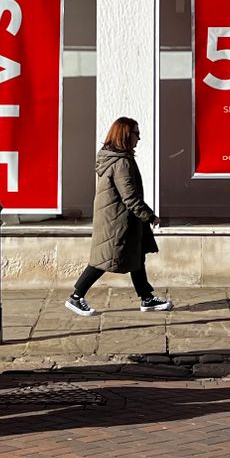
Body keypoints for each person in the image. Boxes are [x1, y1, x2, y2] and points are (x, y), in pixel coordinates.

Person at [65, 117, 172, 316]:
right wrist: (149, 216)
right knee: (104, 259)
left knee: (136, 257)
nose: (139, 138)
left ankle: (147, 298)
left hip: (120, 219)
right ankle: (76, 297)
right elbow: (129, 196)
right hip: (117, 221)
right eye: (136, 134)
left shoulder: (115, 159)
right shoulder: (121, 163)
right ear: (125, 135)